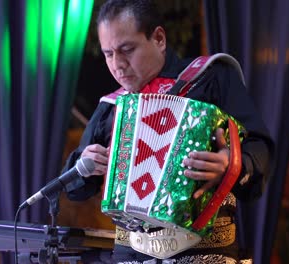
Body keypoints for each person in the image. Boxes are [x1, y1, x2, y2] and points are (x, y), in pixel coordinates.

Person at [63, 0, 273, 263]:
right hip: (132, 252)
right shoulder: (111, 106)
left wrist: (231, 162)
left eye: (127, 49)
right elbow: (73, 188)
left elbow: (260, 146)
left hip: (204, 250)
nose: (117, 64)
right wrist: (85, 166)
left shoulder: (210, 79)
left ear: (159, 38)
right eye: (108, 54)